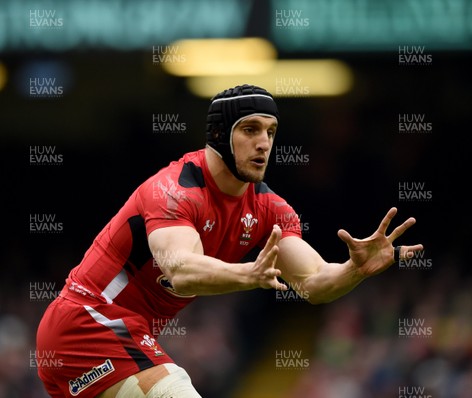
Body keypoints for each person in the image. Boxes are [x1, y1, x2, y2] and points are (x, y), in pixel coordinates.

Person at [36, 84, 423, 397]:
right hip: (87, 322)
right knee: (174, 391)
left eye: (271, 131)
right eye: (250, 129)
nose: (264, 143)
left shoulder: (272, 209)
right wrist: (249, 274)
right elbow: (181, 271)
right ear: (219, 134)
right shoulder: (174, 190)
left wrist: (355, 271)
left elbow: (314, 283)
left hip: (120, 334)